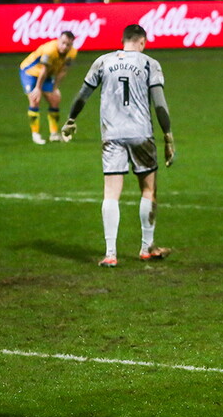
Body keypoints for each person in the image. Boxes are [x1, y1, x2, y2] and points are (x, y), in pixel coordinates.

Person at [60, 24, 175, 267]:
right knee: (148, 190)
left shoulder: (103, 61)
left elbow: (82, 95)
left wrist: (71, 119)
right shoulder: (149, 63)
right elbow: (159, 104)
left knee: (111, 193)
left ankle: (110, 253)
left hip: (111, 135)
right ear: (142, 41)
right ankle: (147, 247)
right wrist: (168, 136)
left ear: (123, 40)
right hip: (141, 134)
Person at [18, 31, 78, 145]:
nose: (65, 47)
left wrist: (55, 88)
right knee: (35, 99)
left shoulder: (72, 53)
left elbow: (63, 71)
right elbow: (43, 70)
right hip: (30, 73)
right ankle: (35, 134)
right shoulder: (49, 50)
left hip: (47, 74)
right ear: (58, 40)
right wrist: (38, 88)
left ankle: (54, 134)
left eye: (68, 45)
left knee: (55, 99)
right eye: (63, 43)